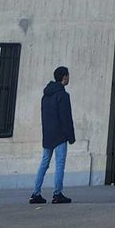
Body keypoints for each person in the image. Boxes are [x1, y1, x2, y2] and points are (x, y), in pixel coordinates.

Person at [31, 66, 76, 204]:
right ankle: (57, 193)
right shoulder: (63, 95)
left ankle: (36, 193)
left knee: (44, 163)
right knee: (60, 164)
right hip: (60, 135)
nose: (69, 77)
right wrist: (71, 136)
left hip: (48, 134)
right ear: (64, 77)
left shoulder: (46, 96)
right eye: (68, 75)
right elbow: (66, 118)